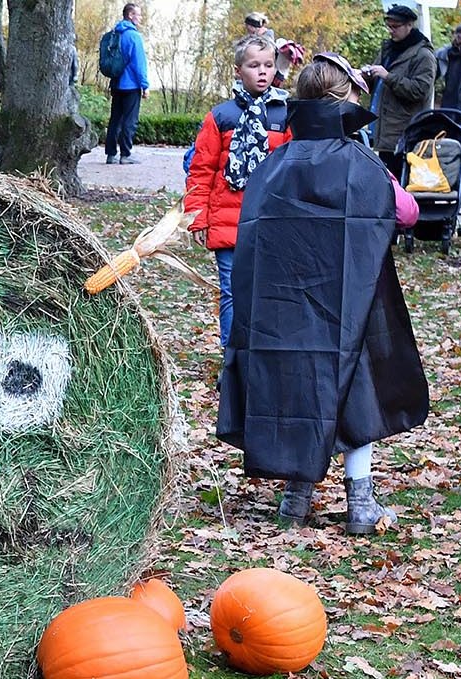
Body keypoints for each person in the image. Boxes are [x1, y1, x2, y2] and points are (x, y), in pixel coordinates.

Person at [221, 53, 426, 535]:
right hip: (350, 302)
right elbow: (408, 213)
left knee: (300, 388)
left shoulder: (276, 163)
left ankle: (295, 500)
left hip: (286, 307)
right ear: (344, 101)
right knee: (356, 390)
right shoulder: (362, 164)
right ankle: (360, 503)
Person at [184, 36, 292, 348]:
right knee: (231, 290)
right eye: (254, 65)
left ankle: (260, 354)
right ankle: (233, 359)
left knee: (266, 290)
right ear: (237, 70)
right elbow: (201, 171)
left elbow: (290, 171)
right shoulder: (221, 117)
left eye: (268, 65)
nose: (262, 72)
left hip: (268, 220)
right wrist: (198, 218)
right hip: (227, 221)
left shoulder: (284, 116)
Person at [360, 3, 435, 180]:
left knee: (401, 184)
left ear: (410, 25)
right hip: (384, 130)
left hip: (404, 133)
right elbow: (378, 85)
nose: (391, 31)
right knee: (387, 183)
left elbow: (420, 90)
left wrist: (388, 76)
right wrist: (367, 75)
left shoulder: (423, 55)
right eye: (389, 26)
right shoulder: (389, 49)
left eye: (396, 27)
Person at [104, 4, 149, 164]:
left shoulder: (115, 33)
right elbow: (139, 63)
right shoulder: (133, 36)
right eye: (138, 14)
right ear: (130, 15)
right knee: (130, 120)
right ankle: (125, 155)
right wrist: (144, 85)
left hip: (116, 83)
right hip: (131, 85)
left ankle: (110, 154)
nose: (140, 18)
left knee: (115, 119)